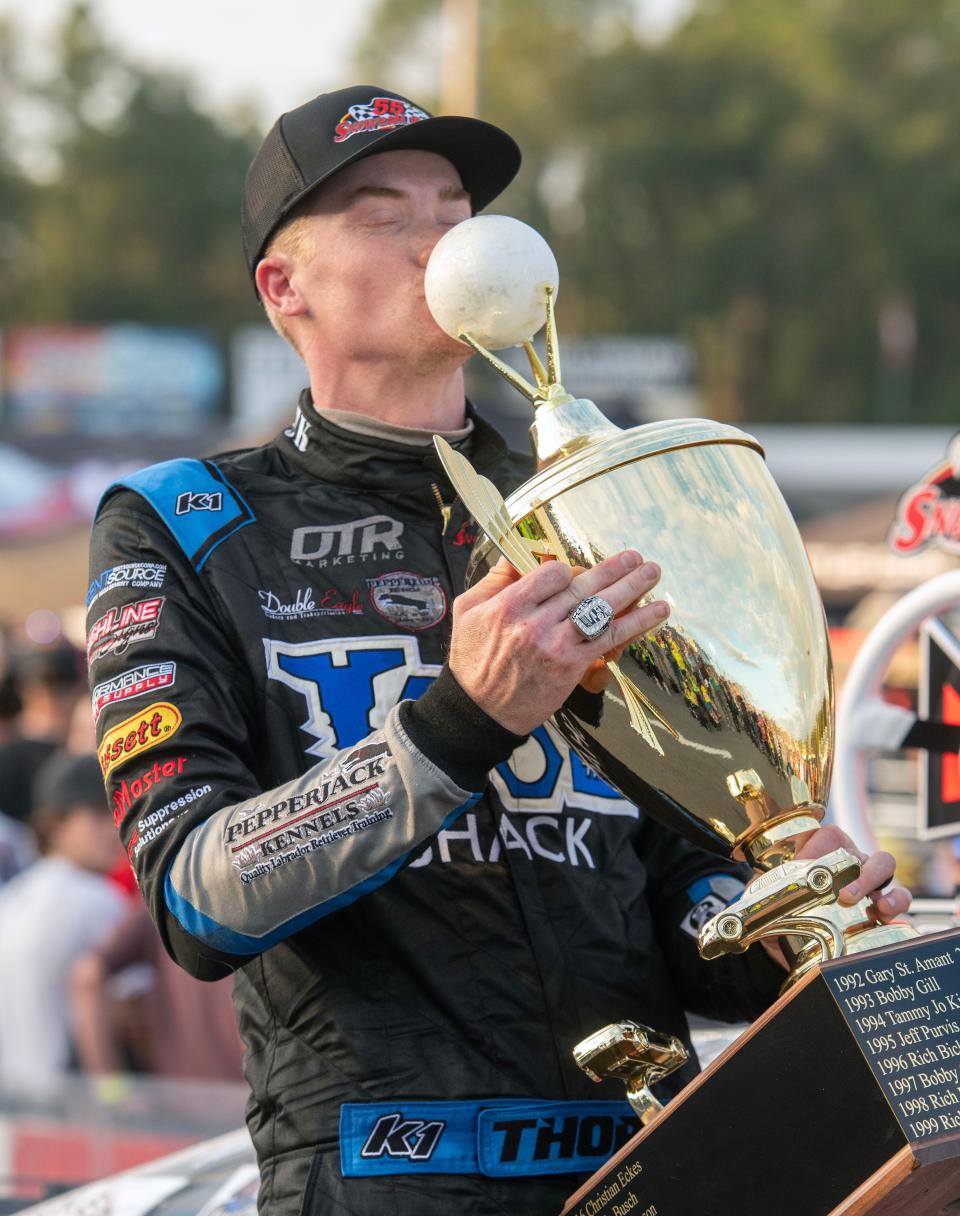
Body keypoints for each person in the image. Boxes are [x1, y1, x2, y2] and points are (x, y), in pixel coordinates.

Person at [87, 85, 910, 1216]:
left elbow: (672, 883)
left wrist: (780, 911)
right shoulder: (186, 522)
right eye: (389, 215)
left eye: (457, 204)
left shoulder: (594, 500)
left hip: (655, 1162)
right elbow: (192, 898)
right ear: (286, 289)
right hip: (377, 1175)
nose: (448, 238)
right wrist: (456, 723)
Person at [0, 752, 127, 1091]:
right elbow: (131, 1016)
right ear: (54, 826)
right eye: (98, 815)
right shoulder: (97, 898)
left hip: (14, 1114)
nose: (115, 828)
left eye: (116, 813)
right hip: (78, 1109)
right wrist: (116, 1098)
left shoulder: (12, 898)